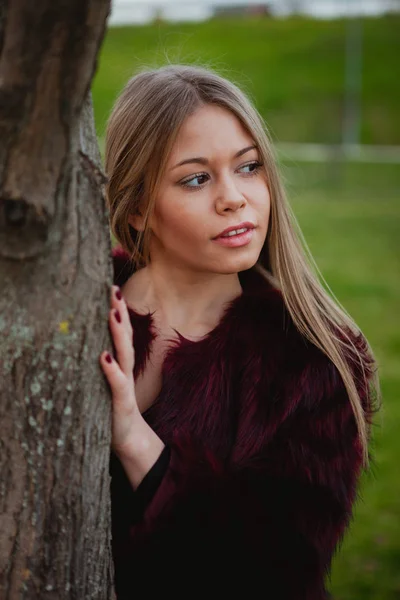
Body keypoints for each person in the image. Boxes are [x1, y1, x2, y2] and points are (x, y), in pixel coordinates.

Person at [99, 64, 380, 599]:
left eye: (249, 167)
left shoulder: (312, 363)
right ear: (137, 209)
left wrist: (134, 439)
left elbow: (278, 572)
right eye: (197, 178)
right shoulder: (69, 316)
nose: (235, 197)